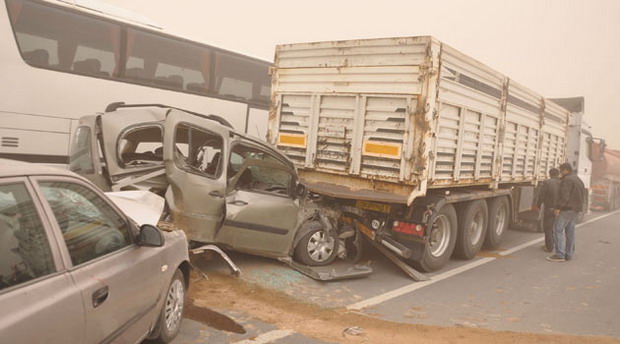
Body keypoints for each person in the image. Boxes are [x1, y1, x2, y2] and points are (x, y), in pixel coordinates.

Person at [547, 163, 586, 262]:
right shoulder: (578, 179)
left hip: (566, 209)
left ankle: (559, 254)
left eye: (561, 170)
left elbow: (564, 195)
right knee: (570, 232)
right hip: (575, 210)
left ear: (566, 170)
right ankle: (569, 254)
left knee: (557, 230)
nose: (560, 173)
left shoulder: (567, 180)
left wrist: (559, 207)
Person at [534, 168, 561, 252]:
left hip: (549, 208)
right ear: (558, 174)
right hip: (559, 209)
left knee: (548, 228)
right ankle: (556, 246)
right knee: (556, 228)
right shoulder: (562, 182)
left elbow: (542, 195)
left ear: (550, 174)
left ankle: (549, 247)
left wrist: (538, 205)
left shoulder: (547, 182)